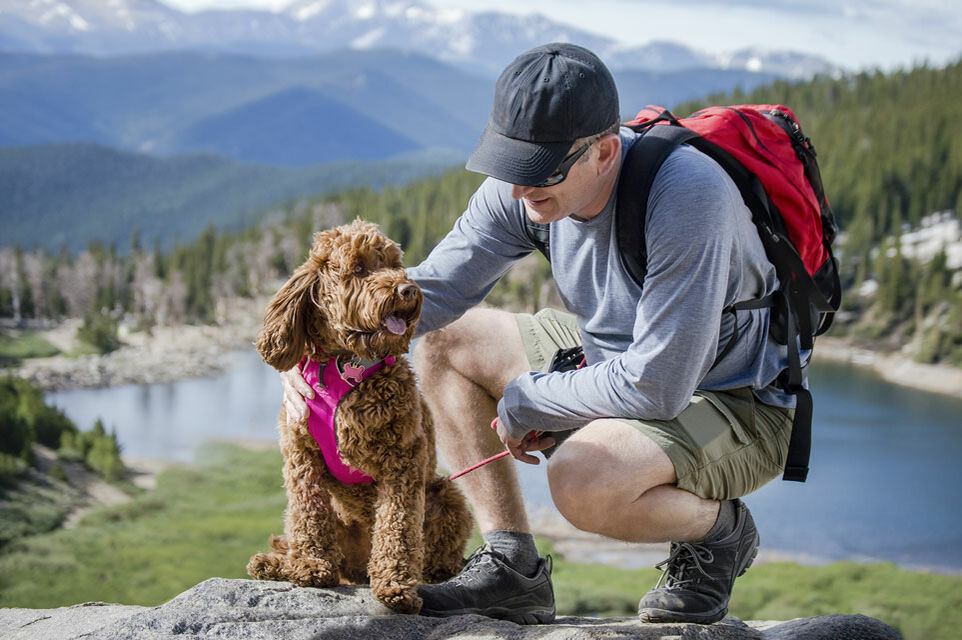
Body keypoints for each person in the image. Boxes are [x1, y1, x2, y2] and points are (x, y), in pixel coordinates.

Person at [280, 42, 796, 625]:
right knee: (448, 343)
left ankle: (719, 535)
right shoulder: (529, 186)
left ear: (604, 152)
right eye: (509, 167)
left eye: (538, 173)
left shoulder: (687, 196)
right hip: (613, 360)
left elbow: (659, 385)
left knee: (581, 479)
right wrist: (312, 360)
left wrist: (530, 398)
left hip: (731, 398)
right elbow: (433, 293)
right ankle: (511, 568)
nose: (520, 191)